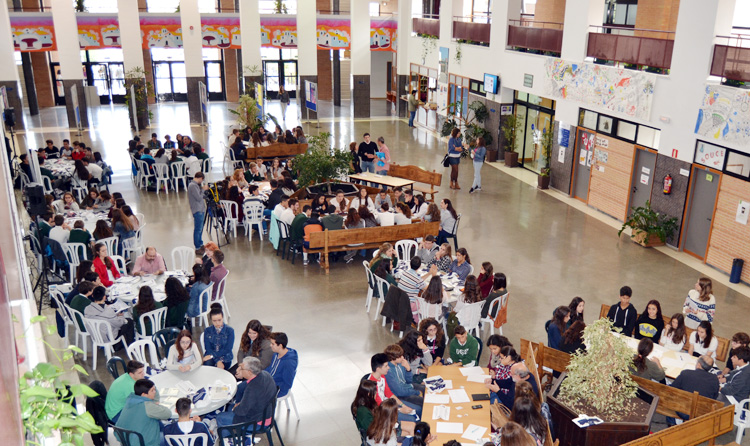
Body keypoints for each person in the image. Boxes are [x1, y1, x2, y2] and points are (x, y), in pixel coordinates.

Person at [216, 357, 277, 427]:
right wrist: (238, 404)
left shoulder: (252, 388)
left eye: (241, 368)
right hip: (265, 412)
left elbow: (241, 411)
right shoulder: (264, 374)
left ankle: (228, 437)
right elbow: (239, 388)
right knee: (230, 408)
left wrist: (236, 407)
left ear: (249, 372)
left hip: (257, 421)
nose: (239, 369)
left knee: (220, 417)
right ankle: (235, 431)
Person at [115, 379, 172, 446]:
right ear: (144, 395)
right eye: (152, 390)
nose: (155, 392)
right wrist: (156, 405)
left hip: (126, 441)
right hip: (142, 443)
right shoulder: (148, 406)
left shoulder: (130, 400)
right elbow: (168, 414)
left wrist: (152, 389)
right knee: (170, 437)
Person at [367, 353, 420, 421]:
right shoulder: (371, 385)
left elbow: (389, 393)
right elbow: (379, 405)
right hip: (383, 411)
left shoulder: (382, 376)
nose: (388, 368)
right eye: (386, 366)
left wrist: (403, 405)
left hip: (389, 404)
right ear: (378, 369)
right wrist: (400, 409)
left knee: (418, 409)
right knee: (412, 419)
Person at [667, 355, 719, 424]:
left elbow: (672, 390)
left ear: (699, 365)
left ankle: (672, 423)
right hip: (701, 413)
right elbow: (714, 398)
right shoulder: (715, 380)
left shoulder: (686, 373)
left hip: (682, 409)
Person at [384, 344, 423, 413]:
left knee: (425, 389)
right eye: (400, 356)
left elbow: (409, 381)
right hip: (400, 395)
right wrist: (416, 392)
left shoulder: (401, 364)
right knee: (422, 402)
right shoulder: (388, 371)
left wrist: (408, 369)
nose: (403, 357)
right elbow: (399, 392)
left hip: (407, 387)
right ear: (393, 358)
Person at [264, 332, 298, 398]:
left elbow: (287, 384)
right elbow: (270, 368)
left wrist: (270, 383)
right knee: (245, 386)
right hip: (269, 381)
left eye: (273, 344)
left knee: (254, 396)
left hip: (278, 388)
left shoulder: (288, 362)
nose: (270, 345)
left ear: (280, 346)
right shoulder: (276, 354)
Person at [202, 304, 234, 368]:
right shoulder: (207, 331)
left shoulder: (230, 331)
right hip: (211, 356)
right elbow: (208, 348)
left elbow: (227, 349)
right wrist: (217, 361)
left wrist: (212, 356)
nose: (217, 323)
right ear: (211, 320)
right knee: (207, 366)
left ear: (223, 318)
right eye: (214, 321)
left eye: (219, 320)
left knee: (221, 369)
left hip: (225, 357)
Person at [188, 172, 208, 248]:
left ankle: (200, 243)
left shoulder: (195, 185)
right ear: (200, 178)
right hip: (197, 210)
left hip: (200, 209)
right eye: (202, 180)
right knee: (198, 229)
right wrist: (203, 189)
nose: (201, 182)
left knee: (200, 228)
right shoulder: (193, 186)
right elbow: (199, 198)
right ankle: (198, 246)